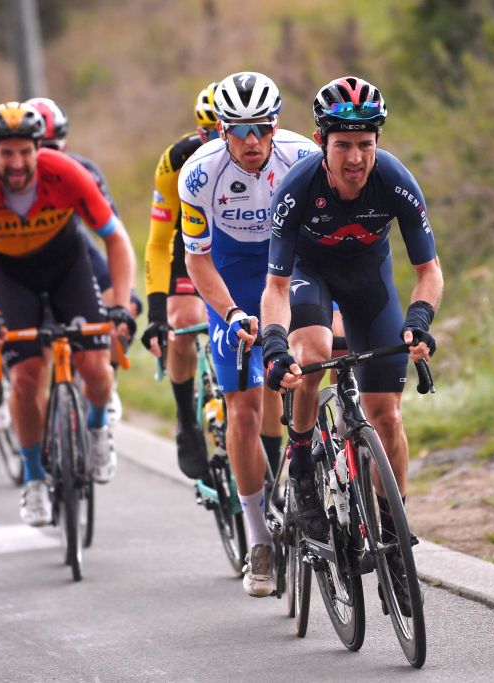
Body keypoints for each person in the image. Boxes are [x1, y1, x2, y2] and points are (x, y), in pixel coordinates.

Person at [259, 76, 444, 608]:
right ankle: (300, 460)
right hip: (308, 278)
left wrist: (420, 318)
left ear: (377, 142)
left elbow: (429, 269)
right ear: (323, 143)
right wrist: (274, 343)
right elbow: (274, 288)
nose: (357, 157)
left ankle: (392, 536)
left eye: (366, 143)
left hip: (370, 287)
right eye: (344, 144)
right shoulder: (296, 189)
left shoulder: (395, 180)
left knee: (386, 414)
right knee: (312, 354)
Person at [0, 102, 136, 527]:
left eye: (24, 153)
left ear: (38, 149)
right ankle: (33, 480)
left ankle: (98, 426)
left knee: (96, 369)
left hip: (68, 265)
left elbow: (116, 240)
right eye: (6, 154)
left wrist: (120, 305)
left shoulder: (67, 173)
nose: (16, 163)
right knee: (26, 377)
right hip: (11, 277)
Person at [177, 71, 318, 596]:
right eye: (240, 130)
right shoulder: (197, 175)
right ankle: (258, 539)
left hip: (291, 262)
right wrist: (232, 312)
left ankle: (305, 471)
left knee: (306, 367)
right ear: (221, 129)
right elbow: (197, 260)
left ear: (275, 124)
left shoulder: (302, 157)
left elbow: (322, 237)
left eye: (262, 127)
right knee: (243, 407)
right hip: (231, 274)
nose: (253, 141)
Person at [23, 95, 139, 423]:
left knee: (122, 303)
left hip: (75, 252)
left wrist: (121, 299)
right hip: (26, 261)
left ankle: (107, 380)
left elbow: (112, 233)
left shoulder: (83, 171)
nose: (45, 157)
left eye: (53, 147)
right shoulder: (12, 177)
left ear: (66, 144)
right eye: (38, 147)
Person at [140, 82, 220, 480]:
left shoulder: (264, 155)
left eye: (224, 129)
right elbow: (157, 243)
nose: (215, 139)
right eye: (206, 131)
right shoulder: (176, 160)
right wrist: (157, 313)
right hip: (189, 246)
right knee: (184, 325)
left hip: (244, 246)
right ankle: (187, 421)